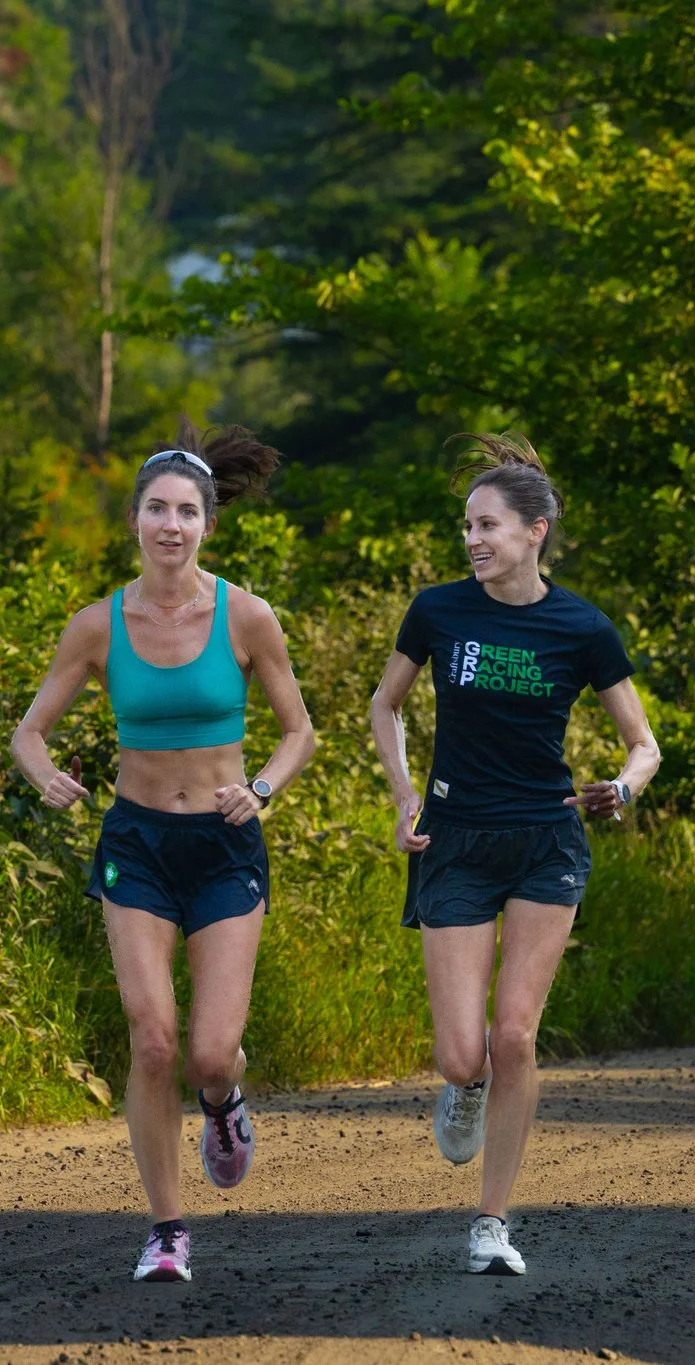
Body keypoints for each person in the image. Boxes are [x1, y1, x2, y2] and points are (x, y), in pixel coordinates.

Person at [9, 419, 316, 1284]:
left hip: (224, 846)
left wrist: (259, 788)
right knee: (152, 1041)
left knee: (210, 1052)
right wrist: (44, 778)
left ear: (207, 523)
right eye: (155, 508)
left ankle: (223, 1102)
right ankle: (167, 1228)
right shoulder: (96, 626)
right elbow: (29, 732)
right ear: (135, 520)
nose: (170, 524)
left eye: (186, 510)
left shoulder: (248, 616)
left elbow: (300, 731)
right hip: (136, 844)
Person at [367, 432, 659, 1276]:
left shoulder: (582, 626)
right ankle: (461, 1087)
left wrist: (625, 786)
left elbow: (643, 743)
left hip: (546, 841)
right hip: (454, 839)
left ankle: (492, 1221)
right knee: (465, 1053)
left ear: (535, 532)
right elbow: (386, 705)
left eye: (488, 525)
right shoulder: (438, 610)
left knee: (516, 1034)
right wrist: (403, 794)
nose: (473, 540)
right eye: (467, 526)